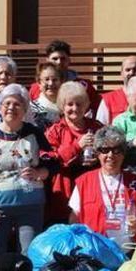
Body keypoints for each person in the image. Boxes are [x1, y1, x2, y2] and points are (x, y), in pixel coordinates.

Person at [0, 84, 58, 271]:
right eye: (7, 103)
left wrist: (40, 172)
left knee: (29, 254)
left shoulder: (34, 133)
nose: (11, 107)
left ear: (25, 109)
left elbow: (52, 162)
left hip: (31, 207)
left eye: (17, 104)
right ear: (0, 108)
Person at [68, 127, 136, 247]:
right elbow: (74, 218)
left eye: (116, 150)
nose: (110, 155)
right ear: (97, 154)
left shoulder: (135, 182)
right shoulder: (84, 182)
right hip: (95, 250)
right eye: (105, 150)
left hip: (130, 249)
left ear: (123, 154)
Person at [45, 81, 104, 226]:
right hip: (64, 190)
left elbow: (110, 154)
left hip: (93, 188)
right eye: (70, 104)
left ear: (86, 106)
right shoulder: (55, 130)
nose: (75, 108)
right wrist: (78, 146)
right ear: (62, 106)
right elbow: (50, 159)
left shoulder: (96, 127)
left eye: (79, 104)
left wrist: (98, 158)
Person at [29, 39, 101, 111]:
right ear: (47, 60)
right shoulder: (36, 88)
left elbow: (97, 110)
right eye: (55, 58)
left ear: (69, 60)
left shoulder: (84, 86)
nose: (59, 62)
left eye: (63, 59)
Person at [30, 61, 63, 130]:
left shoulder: (68, 107)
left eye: (55, 80)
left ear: (61, 82)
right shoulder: (32, 109)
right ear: (39, 83)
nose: (51, 83)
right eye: (46, 79)